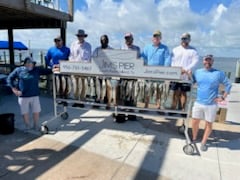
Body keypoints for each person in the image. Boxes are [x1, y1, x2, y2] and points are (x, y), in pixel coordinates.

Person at [191, 55, 231, 151]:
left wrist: (222, 97)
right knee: (194, 122)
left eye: (210, 60)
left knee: (209, 124)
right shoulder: (197, 72)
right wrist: (187, 74)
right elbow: (191, 81)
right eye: (206, 60)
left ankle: (203, 142)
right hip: (198, 102)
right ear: (203, 61)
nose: (207, 62)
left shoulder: (218, 73)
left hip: (211, 104)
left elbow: (228, 84)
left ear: (212, 61)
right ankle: (194, 138)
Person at [7, 57, 52, 132]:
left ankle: (36, 125)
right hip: (23, 96)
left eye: (31, 63)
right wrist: (14, 89)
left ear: (34, 64)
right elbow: (9, 78)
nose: (29, 64)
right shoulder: (18, 70)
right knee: (25, 112)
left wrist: (55, 68)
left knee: (36, 111)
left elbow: (48, 71)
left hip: (34, 95)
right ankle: (27, 126)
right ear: (24, 63)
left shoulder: (37, 70)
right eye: (27, 63)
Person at [141, 30, 171, 109]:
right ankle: (146, 105)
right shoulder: (147, 47)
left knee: (159, 90)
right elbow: (143, 57)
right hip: (148, 72)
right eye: (155, 36)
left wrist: (165, 70)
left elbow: (167, 59)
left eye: (158, 36)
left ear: (160, 38)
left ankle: (158, 106)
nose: (156, 38)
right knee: (147, 89)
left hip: (159, 73)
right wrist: (142, 65)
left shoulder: (165, 48)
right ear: (152, 38)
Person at [170, 33, 199, 112]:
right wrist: (178, 70)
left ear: (189, 40)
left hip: (186, 75)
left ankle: (183, 109)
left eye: (186, 39)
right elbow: (172, 62)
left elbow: (195, 62)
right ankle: (173, 108)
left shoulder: (193, 50)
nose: (184, 40)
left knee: (184, 93)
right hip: (176, 75)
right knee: (175, 92)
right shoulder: (175, 49)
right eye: (182, 38)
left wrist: (185, 69)